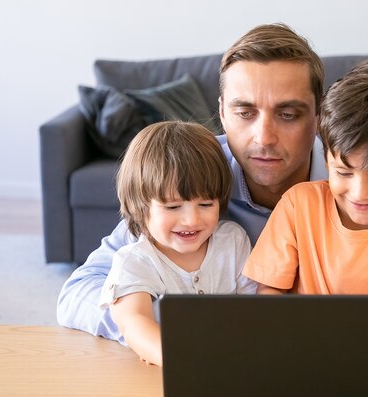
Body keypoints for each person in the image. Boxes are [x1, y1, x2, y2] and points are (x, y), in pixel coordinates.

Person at [57, 23, 368, 362]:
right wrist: (160, 325)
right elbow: (80, 291)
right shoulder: (190, 180)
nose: (263, 137)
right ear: (221, 113)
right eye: (245, 112)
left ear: (320, 118)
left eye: (288, 113)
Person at [243, 58, 368, 362]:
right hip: (301, 353)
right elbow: (269, 290)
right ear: (325, 156)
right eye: (344, 173)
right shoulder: (298, 204)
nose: (360, 193)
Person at [98, 121, 256, 366]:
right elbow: (134, 322)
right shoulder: (134, 261)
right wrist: (185, 361)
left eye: (206, 204)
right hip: (171, 372)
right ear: (140, 206)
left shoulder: (232, 241)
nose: (191, 220)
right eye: (172, 207)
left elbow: (254, 310)